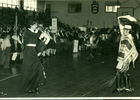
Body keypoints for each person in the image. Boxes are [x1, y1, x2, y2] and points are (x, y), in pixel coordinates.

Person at [21, 20, 45, 94]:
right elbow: (35, 36)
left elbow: (39, 41)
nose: (36, 26)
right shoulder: (27, 32)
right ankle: (29, 88)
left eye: (36, 25)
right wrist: (40, 33)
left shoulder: (37, 32)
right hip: (28, 52)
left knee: (38, 69)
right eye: (35, 25)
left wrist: (39, 51)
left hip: (35, 51)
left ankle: (36, 87)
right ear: (30, 25)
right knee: (29, 70)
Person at [112, 24, 138, 93]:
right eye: (124, 30)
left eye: (126, 30)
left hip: (127, 57)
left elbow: (131, 50)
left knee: (123, 72)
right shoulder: (123, 37)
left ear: (129, 31)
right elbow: (115, 41)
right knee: (120, 72)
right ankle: (120, 88)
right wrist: (120, 35)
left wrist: (126, 61)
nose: (124, 31)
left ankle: (126, 88)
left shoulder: (130, 38)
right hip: (121, 56)